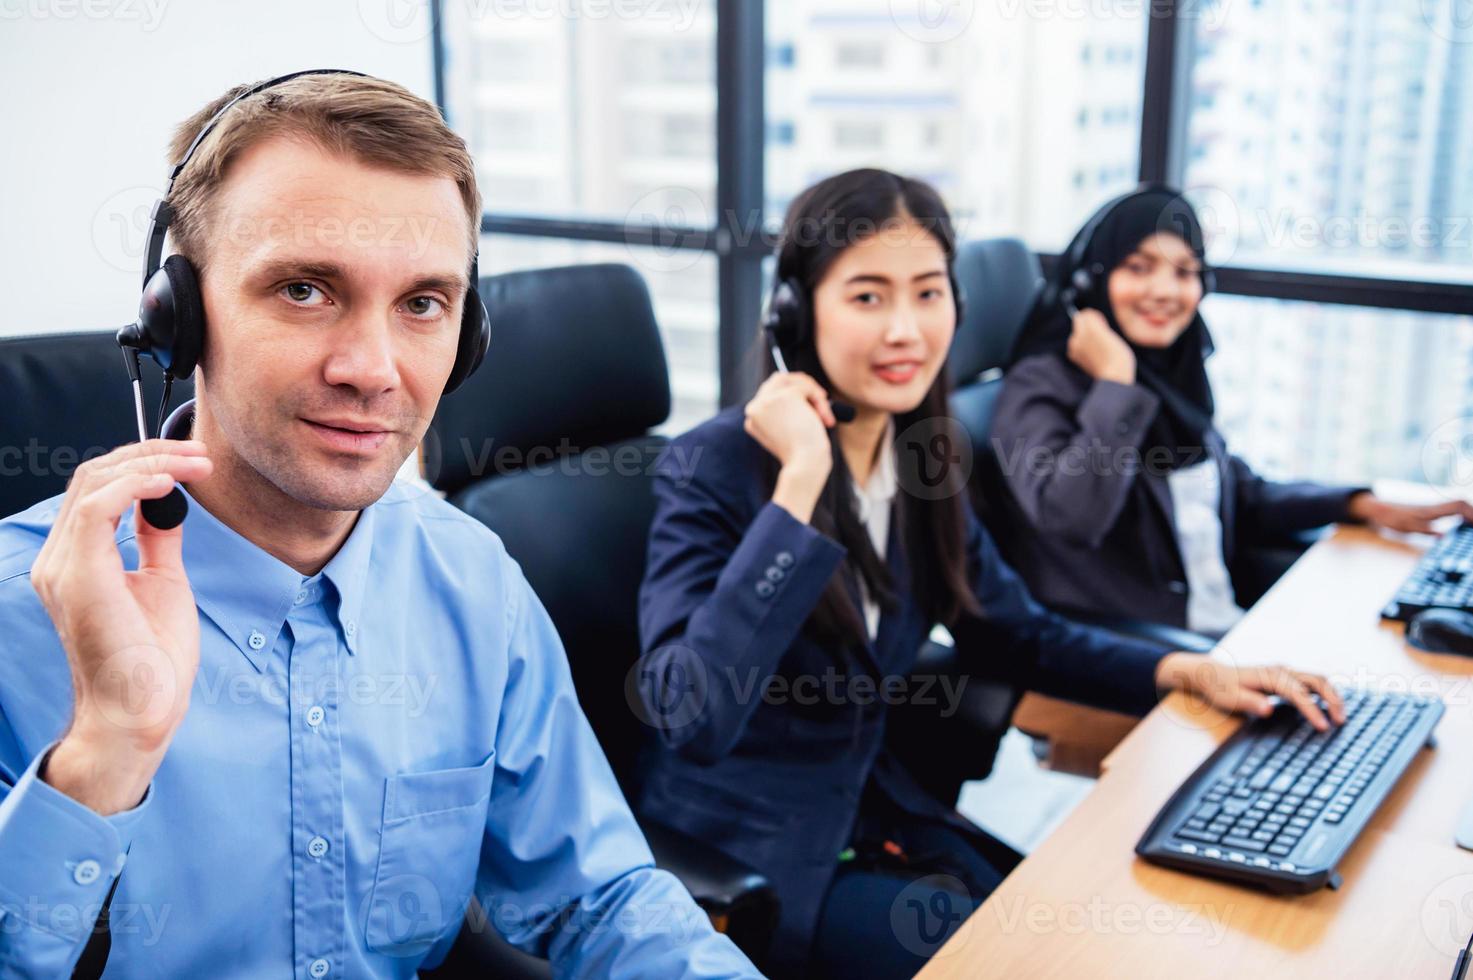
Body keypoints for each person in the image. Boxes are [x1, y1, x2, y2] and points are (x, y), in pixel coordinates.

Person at [0, 71, 761, 978]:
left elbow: (595, 898)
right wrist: (103, 754)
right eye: (305, 289)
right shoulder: (18, 620)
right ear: (180, 320)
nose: (373, 369)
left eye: (423, 304)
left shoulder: (472, 582)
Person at [631, 169, 1345, 980]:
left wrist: (1190, 670)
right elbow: (690, 715)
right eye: (867, 297)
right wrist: (797, 488)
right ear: (797, 311)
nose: (905, 329)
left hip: (879, 813)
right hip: (754, 857)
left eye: (927, 294)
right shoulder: (712, 466)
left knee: (1090, 938)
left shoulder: (922, 461)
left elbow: (1016, 634)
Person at [989, 185, 1473, 636]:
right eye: (1138, 267)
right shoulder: (1042, 384)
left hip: (1221, 627)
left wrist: (1358, 504)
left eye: (1184, 271)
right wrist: (1115, 382)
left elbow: (1235, 492)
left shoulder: (1172, 377)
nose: (1164, 290)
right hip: (1145, 652)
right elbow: (1070, 519)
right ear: (1089, 278)